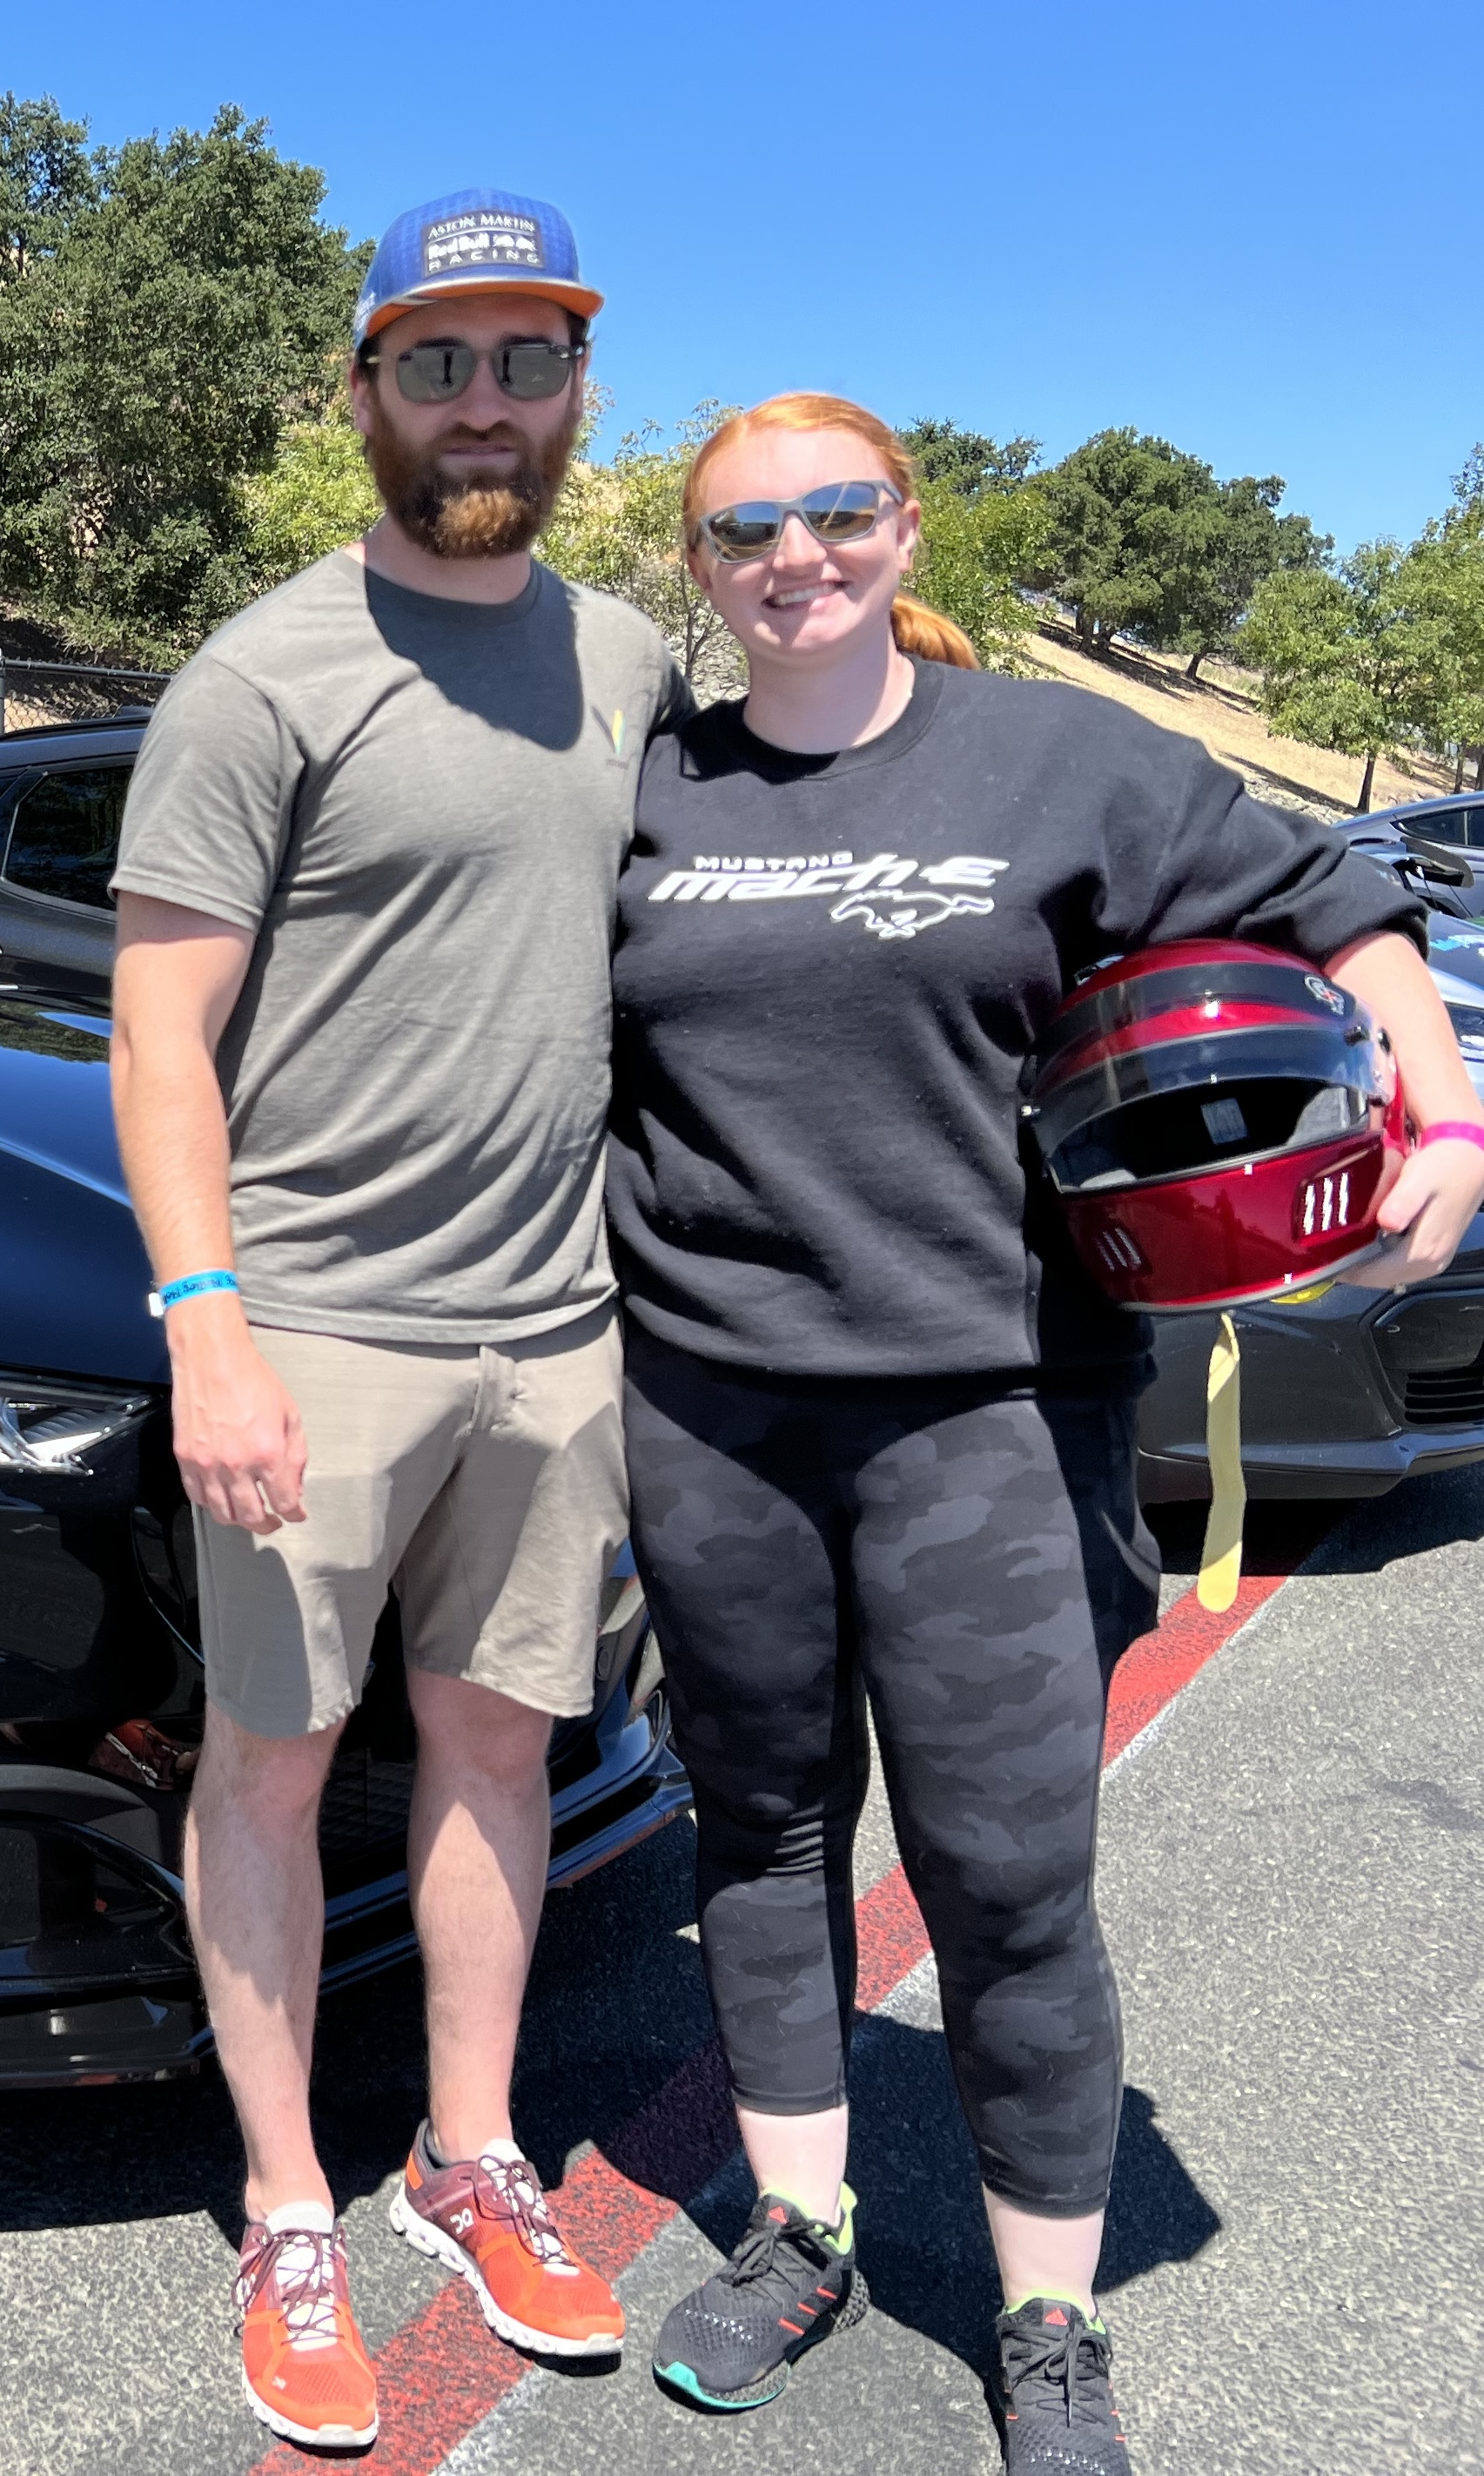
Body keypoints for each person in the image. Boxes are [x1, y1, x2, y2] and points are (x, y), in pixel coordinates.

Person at [609, 393, 1484, 2472]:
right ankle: (801, 2224)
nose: (793, 553)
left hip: (990, 1410)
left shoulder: (1063, 759)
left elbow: (1340, 901)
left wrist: (1437, 1104)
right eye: (747, 526)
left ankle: (1046, 2318)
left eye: (835, 512)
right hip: (708, 1400)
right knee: (759, 1834)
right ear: (702, 557)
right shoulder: (648, 784)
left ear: (903, 527)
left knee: (1006, 1882)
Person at [108, 188, 691, 2451]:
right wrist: (207, 1319)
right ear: (361, 391)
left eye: (524, 356)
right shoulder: (263, 675)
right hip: (318, 1331)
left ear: (574, 391)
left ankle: (470, 2159)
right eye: (434, 358)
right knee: (267, 1763)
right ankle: (285, 2202)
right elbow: (162, 1040)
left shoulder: (635, 669)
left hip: (556, 1337)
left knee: (501, 1748)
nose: (481, 400)